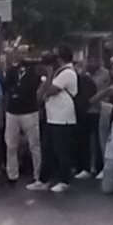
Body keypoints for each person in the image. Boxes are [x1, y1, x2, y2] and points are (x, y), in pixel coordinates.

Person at [3, 48, 45, 190]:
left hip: (29, 111)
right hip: (12, 111)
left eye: (24, 53)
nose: (22, 56)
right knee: (11, 145)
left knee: (34, 144)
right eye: (20, 53)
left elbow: (36, 87)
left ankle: (37, 175)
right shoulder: (12, 71)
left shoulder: (35, 71)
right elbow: (7, 87)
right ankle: (12, 175)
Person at [40, 45, 79, 193]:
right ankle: (44, 180)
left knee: (61, 151)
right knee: (47, 149)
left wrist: (49, 73)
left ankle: (64, 180)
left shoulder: (67, 72)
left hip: (63, 117)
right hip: (52, 116)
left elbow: (50, 89)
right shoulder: (59, 72)